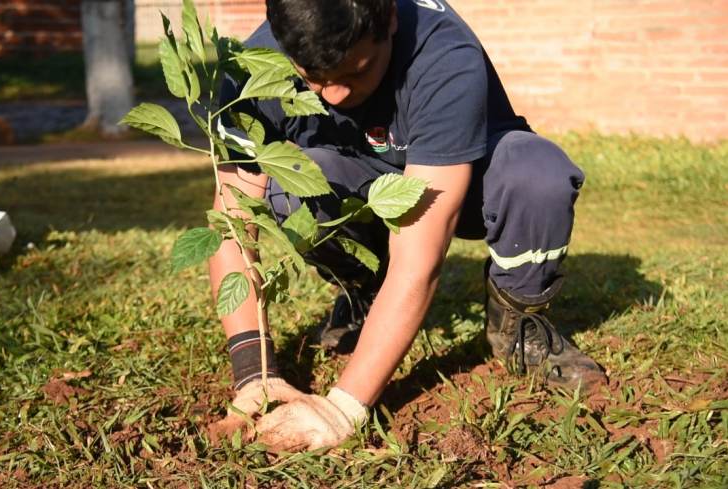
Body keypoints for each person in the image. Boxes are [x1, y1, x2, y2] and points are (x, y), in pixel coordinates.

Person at [208, 0, 606, 452]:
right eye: (312, 79)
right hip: (357, 174)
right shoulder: (250, 71)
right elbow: (233, 224)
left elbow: (421, 254)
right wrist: (254, 374)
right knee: (292, 183)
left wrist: (342, 408)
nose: (333, 95)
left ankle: (518, 325)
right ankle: (364, 291)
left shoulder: (444, 57)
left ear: (391, 21)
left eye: (357, 72)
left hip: (469, 178)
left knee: (537, 175)